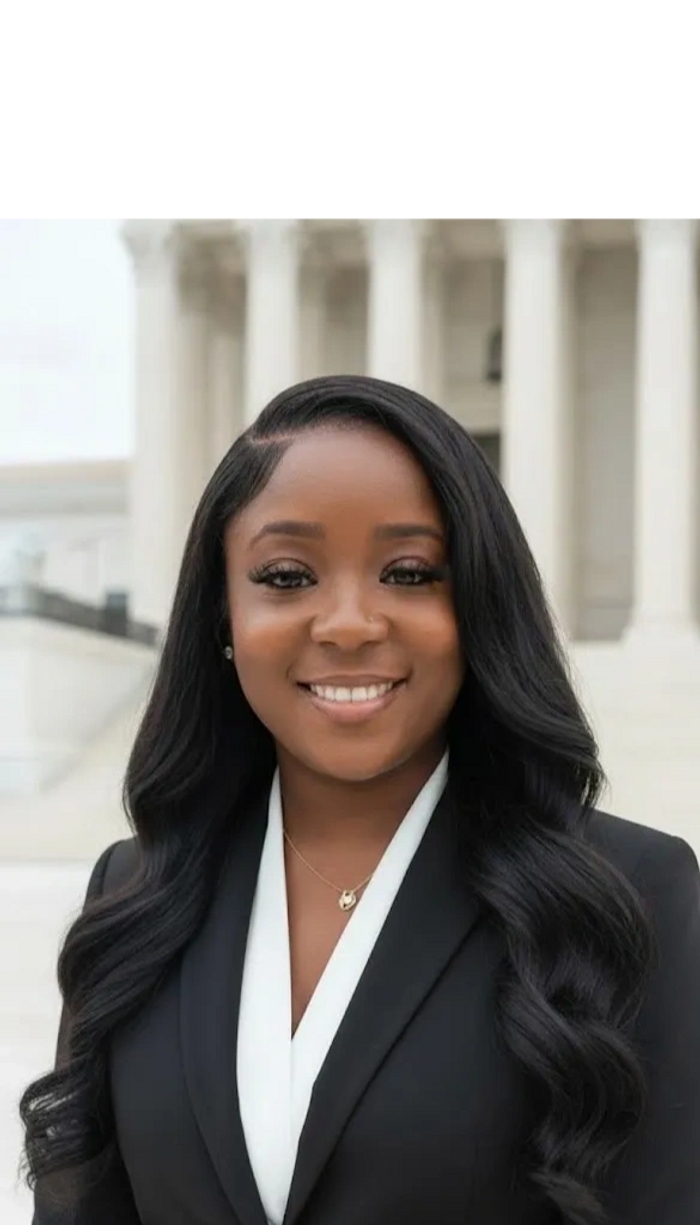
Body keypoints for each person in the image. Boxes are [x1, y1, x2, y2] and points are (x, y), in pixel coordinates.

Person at [21, 374, 700, 1224]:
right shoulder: (135, 896)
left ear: (479, 602)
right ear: (221, 616)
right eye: (287, 574)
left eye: (410, 572)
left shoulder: (633, 893)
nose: (348, 623)